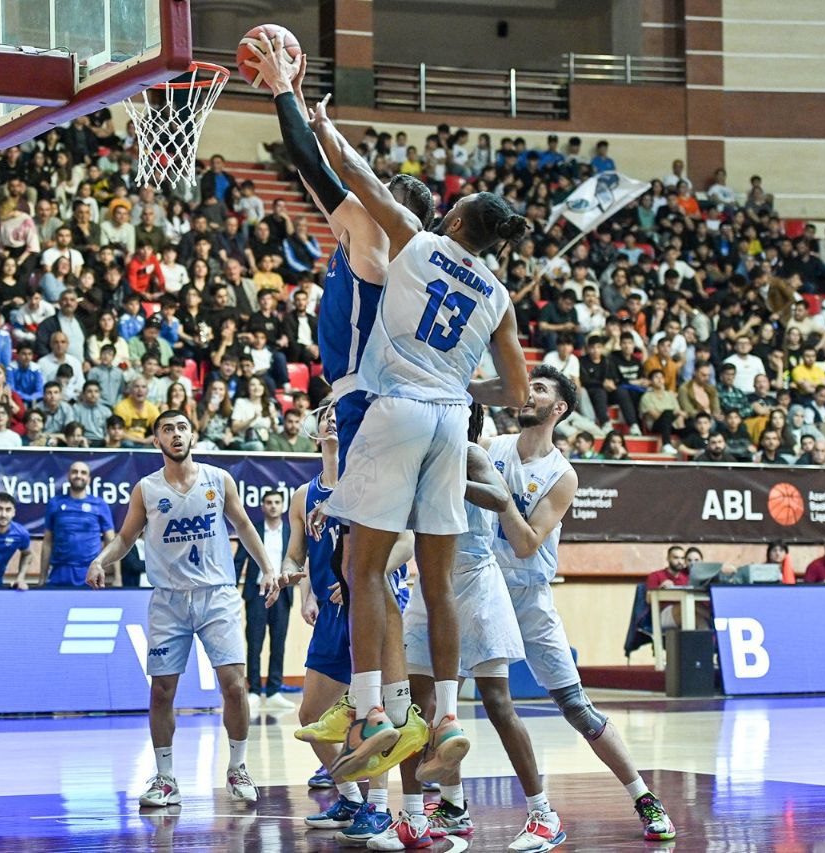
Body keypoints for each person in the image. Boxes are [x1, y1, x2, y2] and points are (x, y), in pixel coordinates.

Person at [248, 41, 527, 809]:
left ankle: (376, 708)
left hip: (382, 402)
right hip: (440, 407)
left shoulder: (387, 237)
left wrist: (287, 94)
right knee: (409, 575)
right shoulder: (484, 284)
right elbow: (517, 387)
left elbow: (316, 164)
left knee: (364, 566)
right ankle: (430, 728)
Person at [483, 365, 676, 844]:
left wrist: (498, 494)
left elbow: (527, 544)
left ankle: (644, 798)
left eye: (541, 390)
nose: (529, 394)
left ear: (560, 409)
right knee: (441, 693)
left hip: (529, 596)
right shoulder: (493, 447)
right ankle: (441, 805)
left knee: (577, 707)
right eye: (528, 387)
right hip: (482, 587)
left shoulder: (561, 475)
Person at [86, 410, 281, 808]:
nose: (176, 434)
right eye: (167, 430)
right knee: (161, 691)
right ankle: (166, 778)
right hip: (169, 600)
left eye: (182, 428)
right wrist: (99, 561)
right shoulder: (146, 489)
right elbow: (125, 539)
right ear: (156, 441)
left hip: (217, 594)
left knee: (234, 685)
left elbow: (244, 525)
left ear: (193, 436)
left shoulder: (218, 479)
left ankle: (238, 767)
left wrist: (267, 568)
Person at [395, 403, 549, 847]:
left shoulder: (469, 453)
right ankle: (437, 810)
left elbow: (501, 500)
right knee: (416, 708)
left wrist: (448, 477)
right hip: (431, 587)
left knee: (497, 702)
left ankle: (542, 812)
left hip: (477, 585)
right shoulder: (420, 456)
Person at [234, 490, 294, 713]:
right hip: (257, 593)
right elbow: (239, 559)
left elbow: (297, 560)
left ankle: (274, 690)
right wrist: (232, 588)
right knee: (255, 643)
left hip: (282, 594)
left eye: (277, 502)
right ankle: (254, 691)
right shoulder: (254, 531)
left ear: (283, 506)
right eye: (269, 502)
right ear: (262, 506)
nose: (273, 506)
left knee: (278, 643)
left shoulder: (290, 532)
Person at [39, 461, 116, 588]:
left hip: (90, 574)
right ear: (68, 476)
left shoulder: (100, 504)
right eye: (75, 472)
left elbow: (111, 541)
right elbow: (47, 542)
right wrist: (42, 577)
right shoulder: (55, 503)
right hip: (59, 573)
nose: (78, 475)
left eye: (83, 473)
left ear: (89, 479)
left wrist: (117, 577)